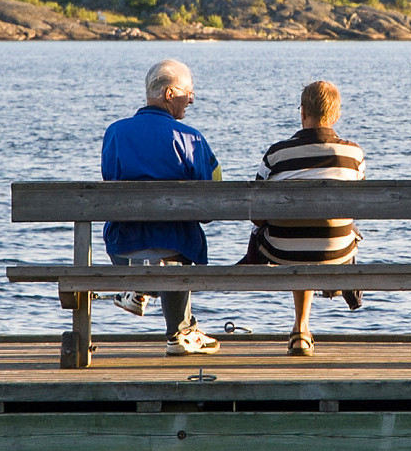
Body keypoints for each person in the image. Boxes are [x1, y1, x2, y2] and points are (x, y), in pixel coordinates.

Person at [101, 58, 222, 356]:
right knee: (173, 248)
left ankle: (141, 287)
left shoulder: (115, 133)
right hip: (173, 246)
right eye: (188, 93)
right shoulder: (191, 138)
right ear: (169, 94)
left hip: (123, 246)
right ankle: (180, 333)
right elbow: (209, 204)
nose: (191, 99)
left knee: (161, 249)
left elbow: (109, 181)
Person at [240, 80, 364, 357]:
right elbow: (355, 206)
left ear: (302, 113)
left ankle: (300, 331)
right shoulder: (354, 155)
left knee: (295, 236)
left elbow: (257, 218)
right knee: (329, 231)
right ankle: (315, 312)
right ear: (337, 114)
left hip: (283, 250)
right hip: (338, 250)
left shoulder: (277, 154)